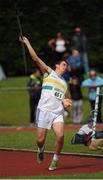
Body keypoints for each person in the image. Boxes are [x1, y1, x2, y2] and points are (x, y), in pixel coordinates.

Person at [19, 36, 72, 171]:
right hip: (44, 110)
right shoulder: (49, 72)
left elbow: (66, 99)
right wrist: (27, 43)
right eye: (64, 64)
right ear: (57, 66)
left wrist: (66, 103)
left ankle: (55, 160)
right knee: (40, 139)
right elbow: (35, 58)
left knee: (60, 136)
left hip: (57, 113)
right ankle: (41, 149)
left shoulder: (65, 84)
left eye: (67, 66)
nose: (66, 67)